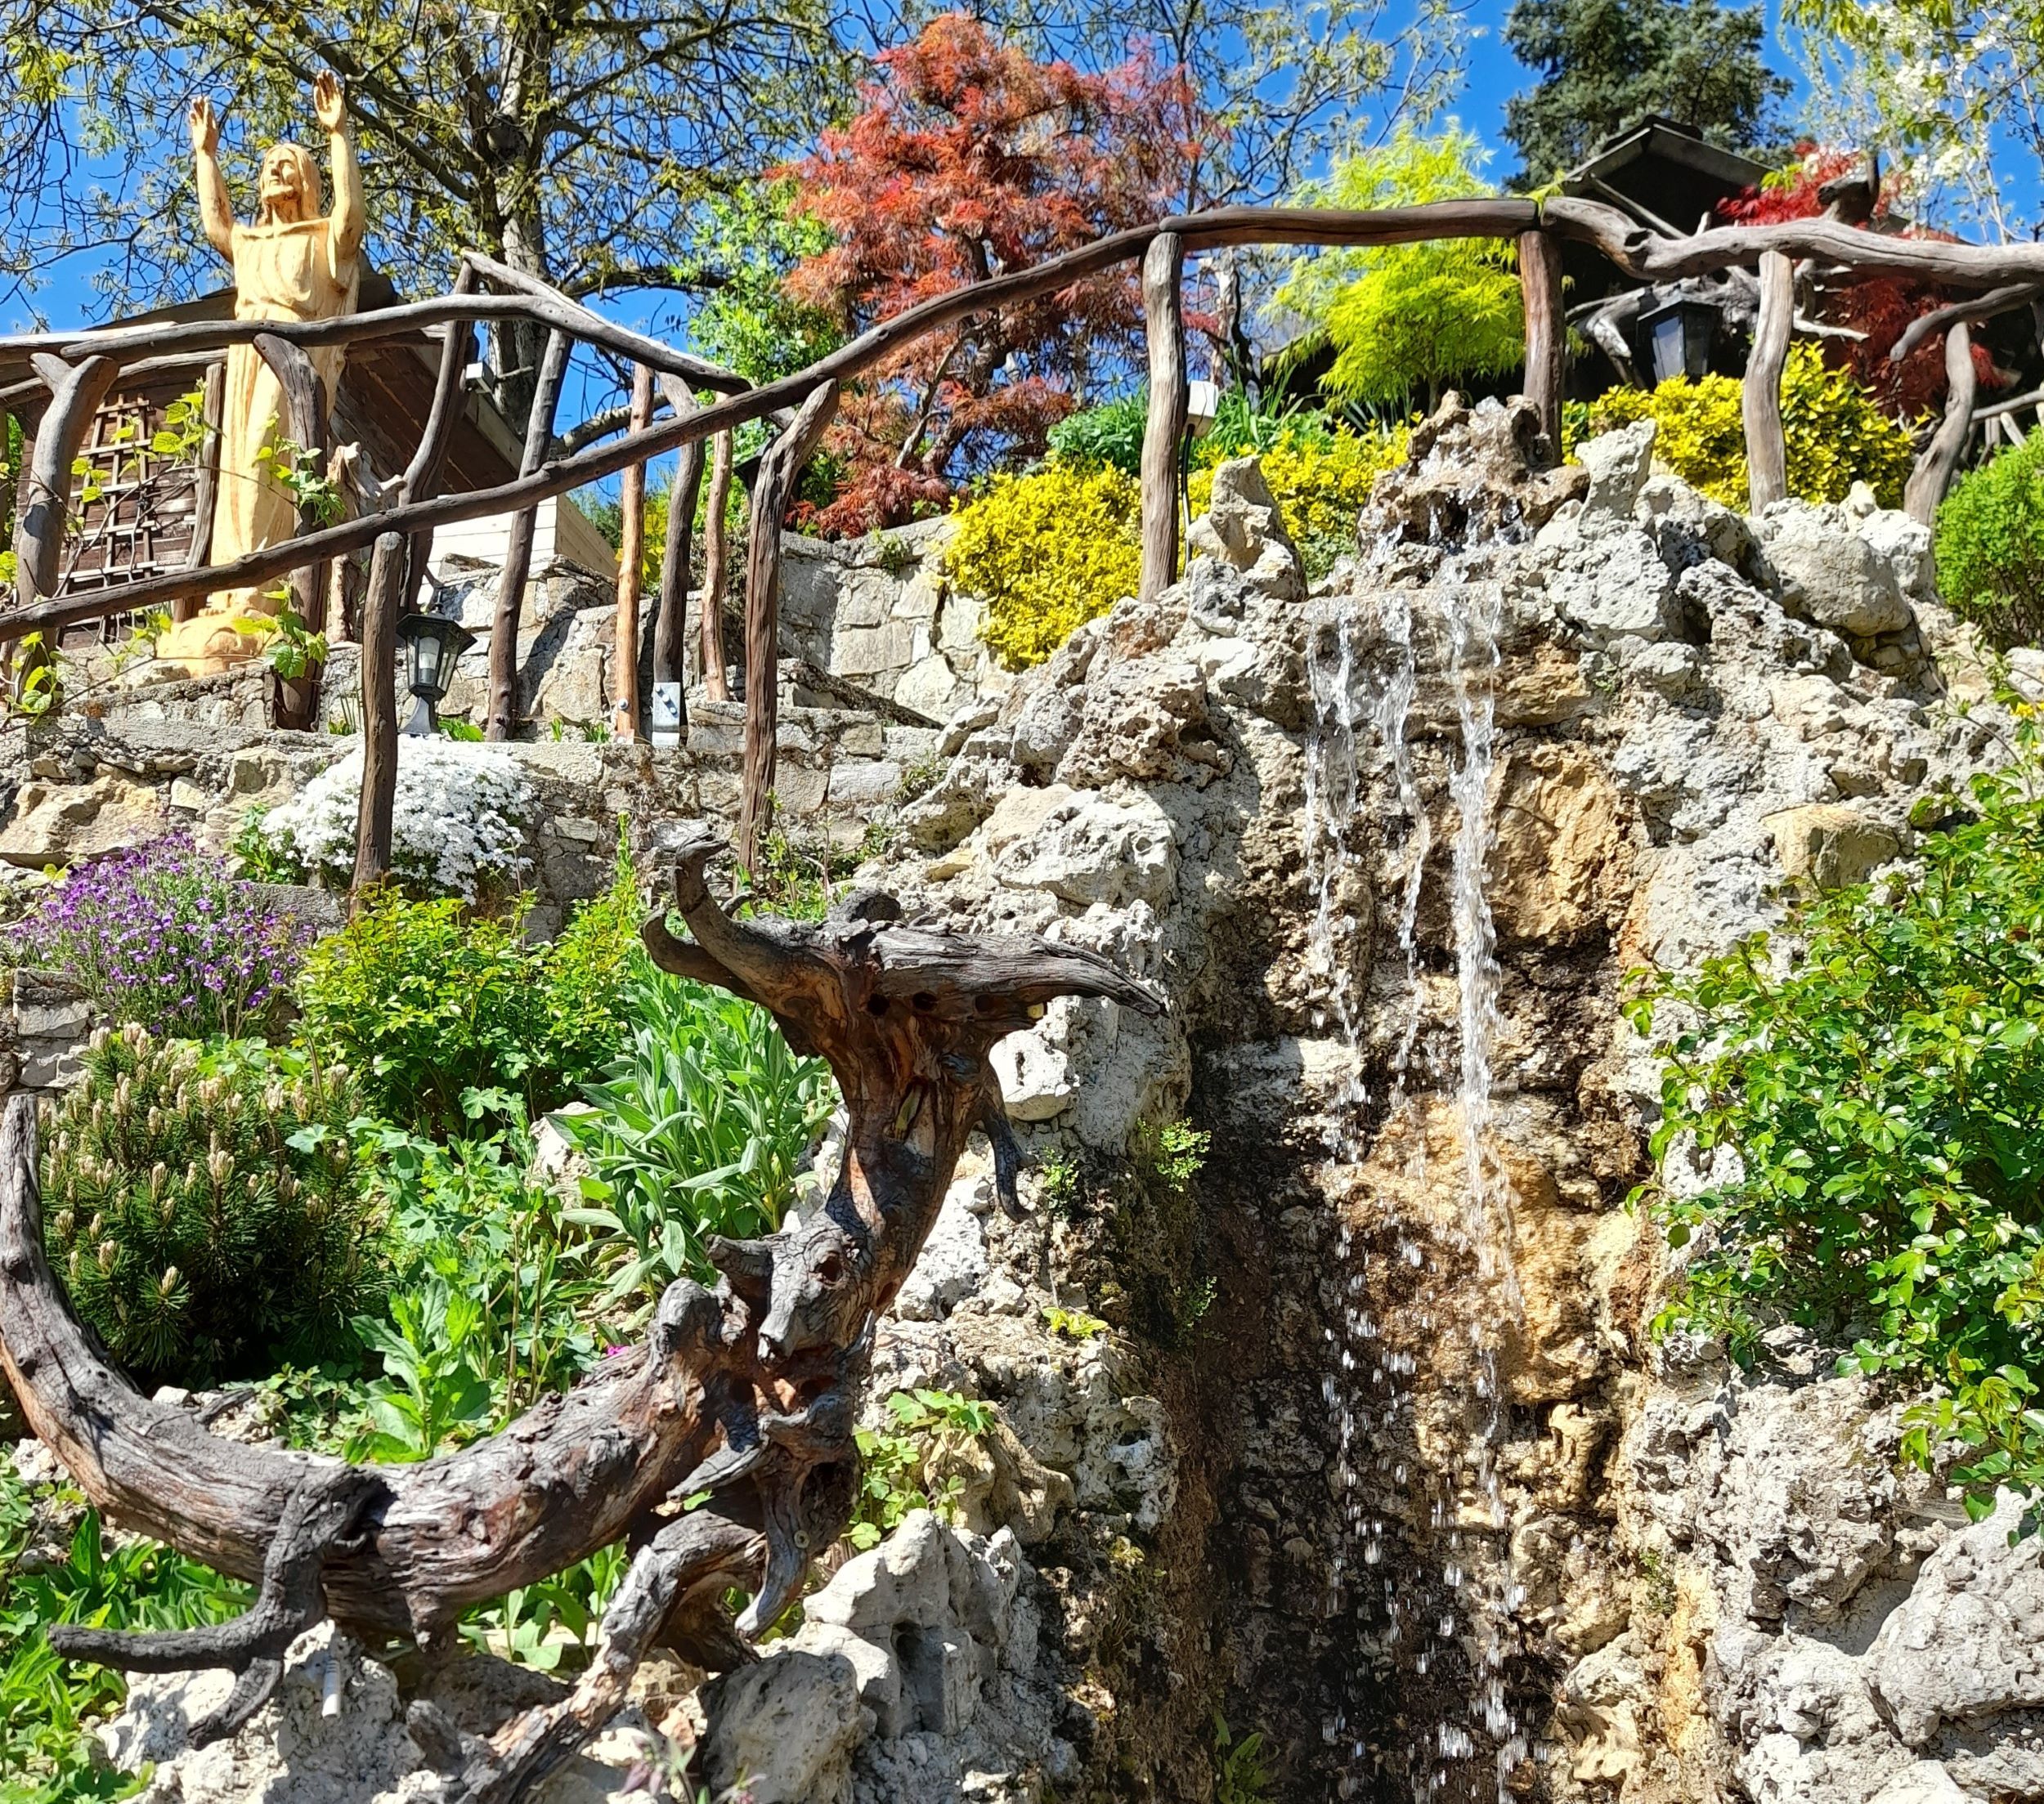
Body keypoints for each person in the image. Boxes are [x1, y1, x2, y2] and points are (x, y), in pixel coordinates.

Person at [154, 71, 364, 674]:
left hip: (291, 361)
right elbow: (216, 224)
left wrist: (338, 135)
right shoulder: (250, 243)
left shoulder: (323, 239)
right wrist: (206, 155)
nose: (276, 172)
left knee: (264, 466)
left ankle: (260, 599)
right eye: (269, 164)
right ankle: (231, 595)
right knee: (233, 476)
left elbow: (350, 217)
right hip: (245, 359)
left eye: (288, 164)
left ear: (308, 181)